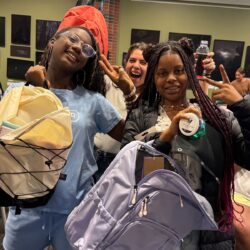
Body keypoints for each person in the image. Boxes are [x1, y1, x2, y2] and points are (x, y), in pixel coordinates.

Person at [3, 26, 124, 250]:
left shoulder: (93, 102)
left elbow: (128, 137)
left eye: (86, 48)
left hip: (75, 212)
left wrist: (131, 91)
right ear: (52, 42)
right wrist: (39, 89)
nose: (78, 47)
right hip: (27, 208)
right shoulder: (18, 92)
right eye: (73, 39)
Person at [121, 41, 250, 249]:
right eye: (162, 73)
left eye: (179, 71)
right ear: (154, 78)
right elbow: (131, 172)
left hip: (208, 228)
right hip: (155, 223)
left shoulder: (216, 119)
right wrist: (166, 136)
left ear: (189, 73)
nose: (171, 78)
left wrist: (242, 107)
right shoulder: (140, 118)